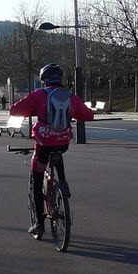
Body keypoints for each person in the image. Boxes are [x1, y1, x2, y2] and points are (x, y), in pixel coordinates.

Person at [10, 63, 96, 238]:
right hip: (63, 142)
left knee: (37, 178)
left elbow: (14, 110)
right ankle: (62, 183)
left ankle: (39, 224)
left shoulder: (39, 95)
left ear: (44, 80)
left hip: (43, 143)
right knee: (58, 152)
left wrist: (33, 111)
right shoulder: (70, 96)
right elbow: (88, 115)